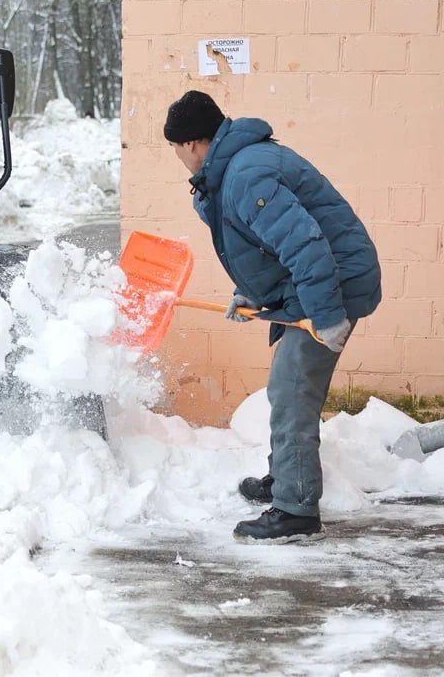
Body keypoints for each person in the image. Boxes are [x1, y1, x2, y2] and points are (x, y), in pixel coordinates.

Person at [163, 90, 381, 544]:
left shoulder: (245, 175)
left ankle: (295, 509)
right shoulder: (233, 170)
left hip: (330, 285)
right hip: (309, 285)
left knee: (292, 392)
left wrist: (327, 316)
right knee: (287, 389)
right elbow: (264, 244)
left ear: (191, 144)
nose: (179, 159)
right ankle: (286, 476)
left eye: (176, 149)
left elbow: (305, 245)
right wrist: (250, 292)